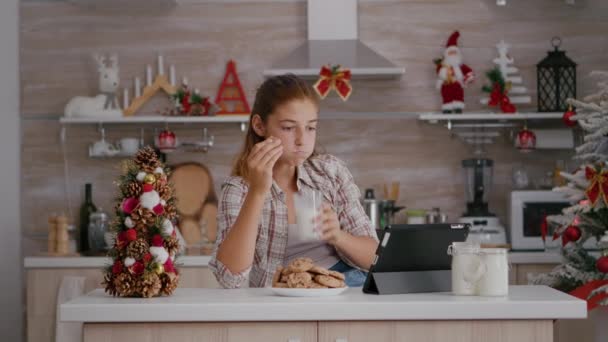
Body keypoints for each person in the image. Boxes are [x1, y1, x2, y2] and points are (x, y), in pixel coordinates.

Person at [209, 74, 378, 288]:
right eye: (288, 128)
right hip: (284, 298)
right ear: (260, 126)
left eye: (310, 127)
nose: (301, 140)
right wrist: (258, 191)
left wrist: (338, 236)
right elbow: (229, 278)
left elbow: (376, 259)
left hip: (346, 287)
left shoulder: (330, 172)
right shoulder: (239, 190)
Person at [435, 30, 475, 113]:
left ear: (458, 54)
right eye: (450, 53)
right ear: (446, 54)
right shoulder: (443, 65)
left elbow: (468, 71)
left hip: (457, 84)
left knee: (458, 96)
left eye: (454, 53)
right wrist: (439, 66)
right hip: (446, 84)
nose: (452, 54)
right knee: (446, 96)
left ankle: (458, 108)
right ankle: (447, 109)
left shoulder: (461, 66)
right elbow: (438, 71)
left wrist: (469, 77)